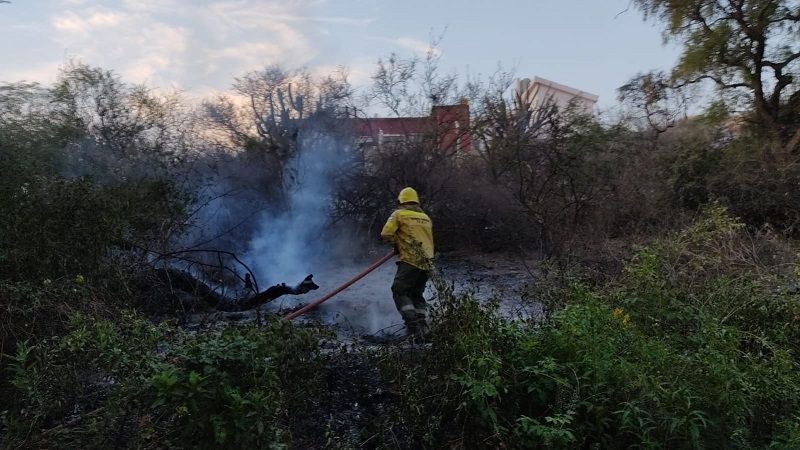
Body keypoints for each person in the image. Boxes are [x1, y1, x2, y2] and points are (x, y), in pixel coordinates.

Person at [380, 187, 434, 338]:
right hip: (427, 262)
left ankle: (413, 328)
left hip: (410, 259)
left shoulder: (399, 214)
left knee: (399, 290)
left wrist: (396, 244)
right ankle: (424, 328)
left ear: (400, 201)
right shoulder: (425, 218)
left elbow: (386, 234)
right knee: (416, 293)